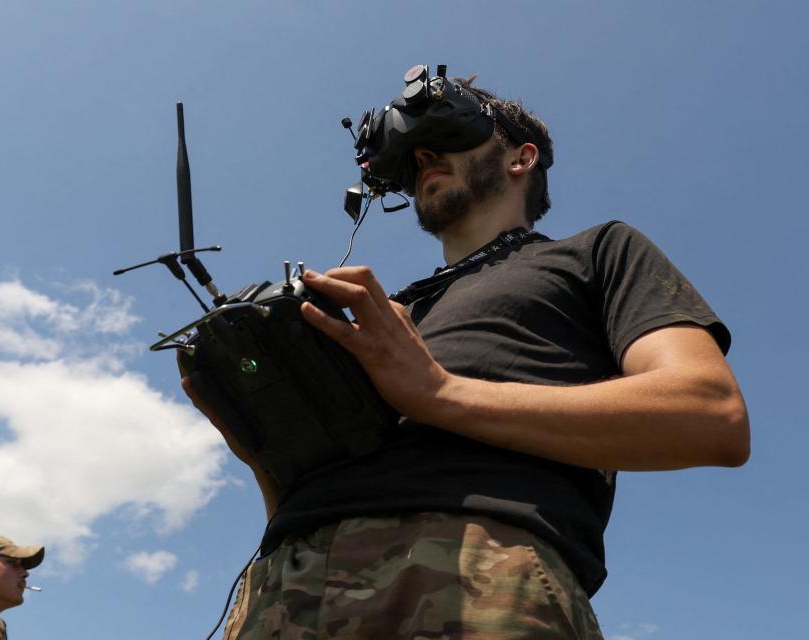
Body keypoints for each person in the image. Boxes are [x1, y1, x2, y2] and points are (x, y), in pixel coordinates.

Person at [183, 72, 749, 639]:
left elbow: (709, 415)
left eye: (450, 137)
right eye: (413, 153)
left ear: (521, 158)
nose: (424, 154)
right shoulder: (394, 312)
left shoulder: (596, 252)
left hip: (476, 567)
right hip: (282, 585)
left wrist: (440, 394)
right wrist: (265, 452)